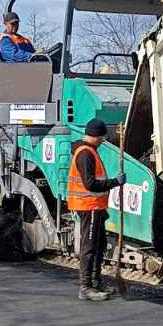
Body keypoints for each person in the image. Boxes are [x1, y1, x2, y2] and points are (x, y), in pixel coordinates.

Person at [67, 117, 122, 302]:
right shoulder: (85, 154)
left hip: (95, 206)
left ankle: (96, 282)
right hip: (88, 206)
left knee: (99, 245)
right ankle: (85, 287)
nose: (104, 140)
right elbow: (90, 184)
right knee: (89, 247)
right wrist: (114, 182)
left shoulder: (90, 151)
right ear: (95, 135)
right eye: (102, 137)